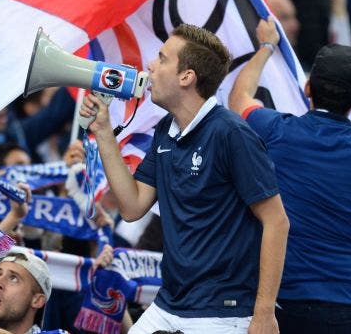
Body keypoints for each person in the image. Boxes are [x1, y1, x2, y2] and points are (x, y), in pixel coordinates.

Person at [79, 23, 289, 333]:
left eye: (162, 58)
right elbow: (133, 206)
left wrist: (263, 313)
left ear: (186, 77)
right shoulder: (166, 128)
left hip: (223, 313)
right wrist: (103, 131)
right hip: (169, 304)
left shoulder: (232, 134)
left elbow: (277, 222)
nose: (150, 65)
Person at [229, 18, 351, 333]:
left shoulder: (275, 130)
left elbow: (238, 98)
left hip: (283, 304)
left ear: (309, 88)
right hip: (348, 305)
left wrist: (266, 46)